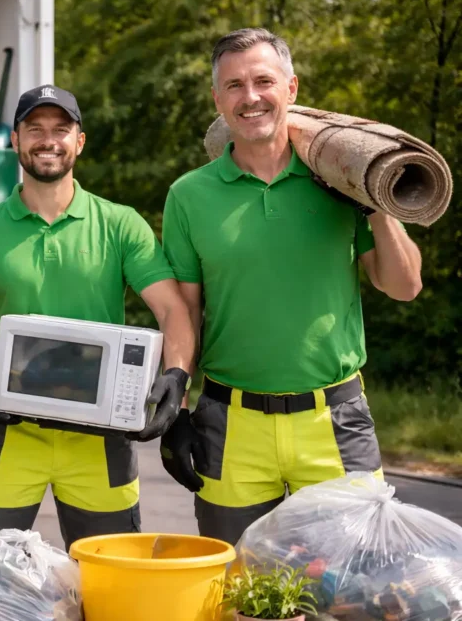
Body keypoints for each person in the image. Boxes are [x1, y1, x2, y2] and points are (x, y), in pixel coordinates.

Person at [159, 28, 424, 546]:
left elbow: (404, 286)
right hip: (230, 423)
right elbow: (183, 312)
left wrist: (372, 201)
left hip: (334, 420)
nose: (250, 96)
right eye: (234, 85)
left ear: (292, 88)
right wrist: (178, 403)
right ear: (218, 100)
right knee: (237, 590)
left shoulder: (342, 183)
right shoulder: (189, 196)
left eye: (263, 81)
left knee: (350, 590)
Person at [0, 84, 197, 586]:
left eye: (61, 130)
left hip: (99, 441)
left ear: (80, 141)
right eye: (34, 129)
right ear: (15, 140)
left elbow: (173, 310)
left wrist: (176, 374)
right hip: (7, 435)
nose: (48, 140)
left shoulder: (120, 225)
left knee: (112, 590)